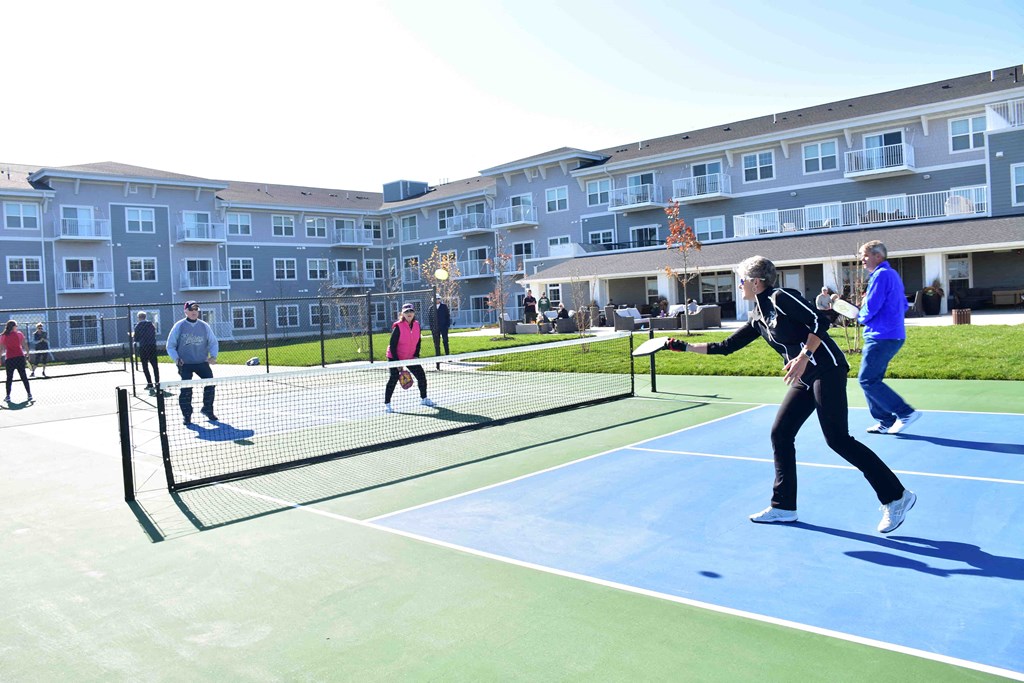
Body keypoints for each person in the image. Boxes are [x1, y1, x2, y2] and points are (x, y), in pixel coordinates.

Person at [665, 255, 916, 534]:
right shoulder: (758, 316)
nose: (739, 286)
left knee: (838, 439)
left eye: (741, 281)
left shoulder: (780, 297)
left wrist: (803, 356)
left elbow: (820, 323)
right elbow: (726, 346)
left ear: (756, 282)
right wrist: (681, 347)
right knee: (781, 433)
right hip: (805, 376)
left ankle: (896, 497)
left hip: (827, 369)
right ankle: (784, 507)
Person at [857, 240, 921, 435]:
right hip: (889, 335)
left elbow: (873, 306)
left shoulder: (881, 275)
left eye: (865, 256)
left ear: (878, 256)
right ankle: (885, 420)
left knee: (867, 380)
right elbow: (902, 304)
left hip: (881, 336)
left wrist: (860, 316)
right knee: (871, 379)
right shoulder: (891, 274)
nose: (862, 260)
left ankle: (906, 413)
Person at [166, 301, 218, 425]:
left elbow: (213, 342)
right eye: (191, 309)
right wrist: (177, 359)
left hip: (201, 362)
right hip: (185, 364)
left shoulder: (204, 326)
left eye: (196, 309)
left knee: (210, 384)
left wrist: (213, 356)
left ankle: (207, 409)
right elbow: (170, 346)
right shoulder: (179, 326)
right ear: (186, 311)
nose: (194, 312)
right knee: (186, 390)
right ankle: (187, 415)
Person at [385, 303, 434, 413]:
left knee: (421, 376)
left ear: (414, 313)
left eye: (411, 311)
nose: (409, 313)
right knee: (393, 379)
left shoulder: (417, 325)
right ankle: (387, 404)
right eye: (406, 312)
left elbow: (418, 341)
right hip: (394, 356)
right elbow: (392, 345)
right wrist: (397, 363)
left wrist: (416, 355)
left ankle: (424, 399)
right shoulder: (398, 327)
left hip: (410, 356)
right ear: (402, 313)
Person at [2, 320, 32, 403]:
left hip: (10, 359)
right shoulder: (19, 334)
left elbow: (2, 349)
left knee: (9, 378)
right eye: (16, 326)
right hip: (19, 358)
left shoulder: (3, 336)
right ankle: (29, 394)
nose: (17, 327)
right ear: (13, 327)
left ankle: (8, 396)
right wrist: (28, 354)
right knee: (23, 377)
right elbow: (24, 345)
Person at [133, 311, 160, 391]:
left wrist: (134, 337)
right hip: (152, 346)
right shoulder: (151, 325)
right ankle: (157, 382)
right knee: (155, 365)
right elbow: (154, 334)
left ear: (139, 318)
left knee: (145, 366)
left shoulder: (138, 326)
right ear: (145, 317)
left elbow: (136, 338)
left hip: (143, 346)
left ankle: (150, 383)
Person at [427, 296, 450, 370]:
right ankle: (438, 358)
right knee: (437, 344)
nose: (437, 300)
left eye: (438, 299)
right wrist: (432, 328)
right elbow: (430, 319)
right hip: (435, 329)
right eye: (436, 299)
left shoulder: (444, 307)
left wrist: (447, 325)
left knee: (445, 341)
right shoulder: (431, 308)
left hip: (444, 327)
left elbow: (447, 316)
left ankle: (448, 356)